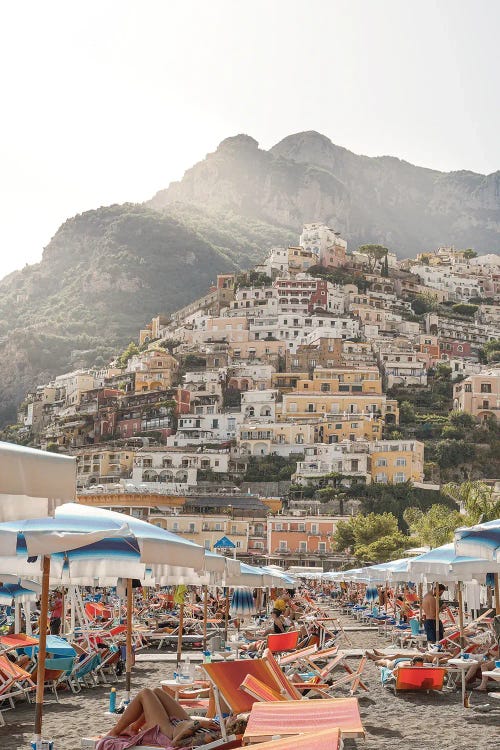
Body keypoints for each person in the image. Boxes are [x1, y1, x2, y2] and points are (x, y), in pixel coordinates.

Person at [97, 687, 219, 749]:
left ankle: (114, 732)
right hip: (184, 723)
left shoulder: (214, 737)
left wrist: (198, 724)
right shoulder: (223, 728)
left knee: (145, 693)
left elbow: (176, 743)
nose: (234, 718)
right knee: (156, 691)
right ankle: (133, 727)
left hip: (169, 733)